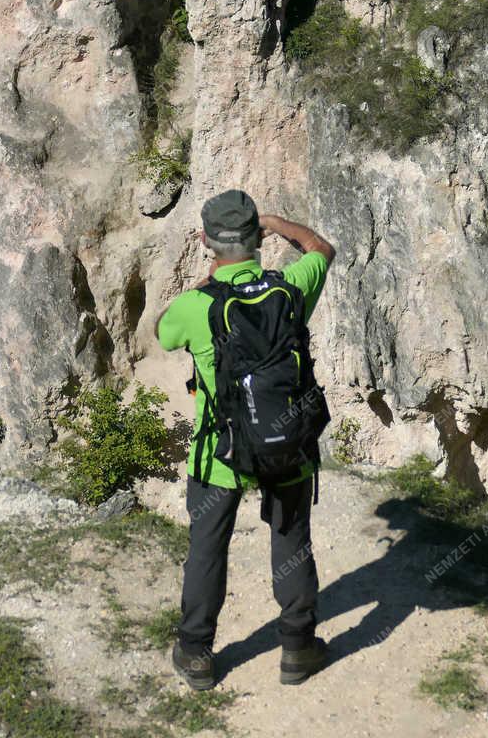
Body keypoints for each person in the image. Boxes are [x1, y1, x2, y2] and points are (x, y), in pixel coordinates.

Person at [157, 191, 335, 689]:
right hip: (288, 442)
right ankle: (298, 649)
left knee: (207, 549)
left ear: (205, 240)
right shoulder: (292, 287)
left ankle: (196, 654)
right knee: (292, 542)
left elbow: (164, 335)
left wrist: (205, 284)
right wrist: (281, 224)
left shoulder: (195, 306)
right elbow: (322, 249)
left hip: (220, 454)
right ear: (259, 236)